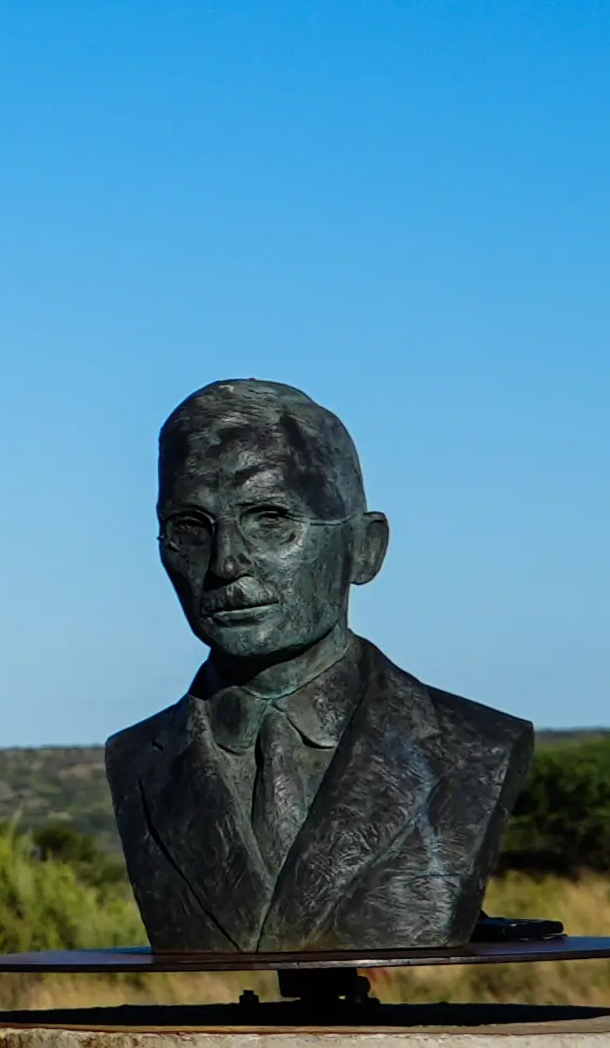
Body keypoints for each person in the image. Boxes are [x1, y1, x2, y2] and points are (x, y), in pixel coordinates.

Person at [102, 378, 525, 954]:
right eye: (190, 528)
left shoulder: (477, 747)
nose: (227, 563)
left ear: (365, 548)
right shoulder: (138, 761)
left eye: (271, 520)